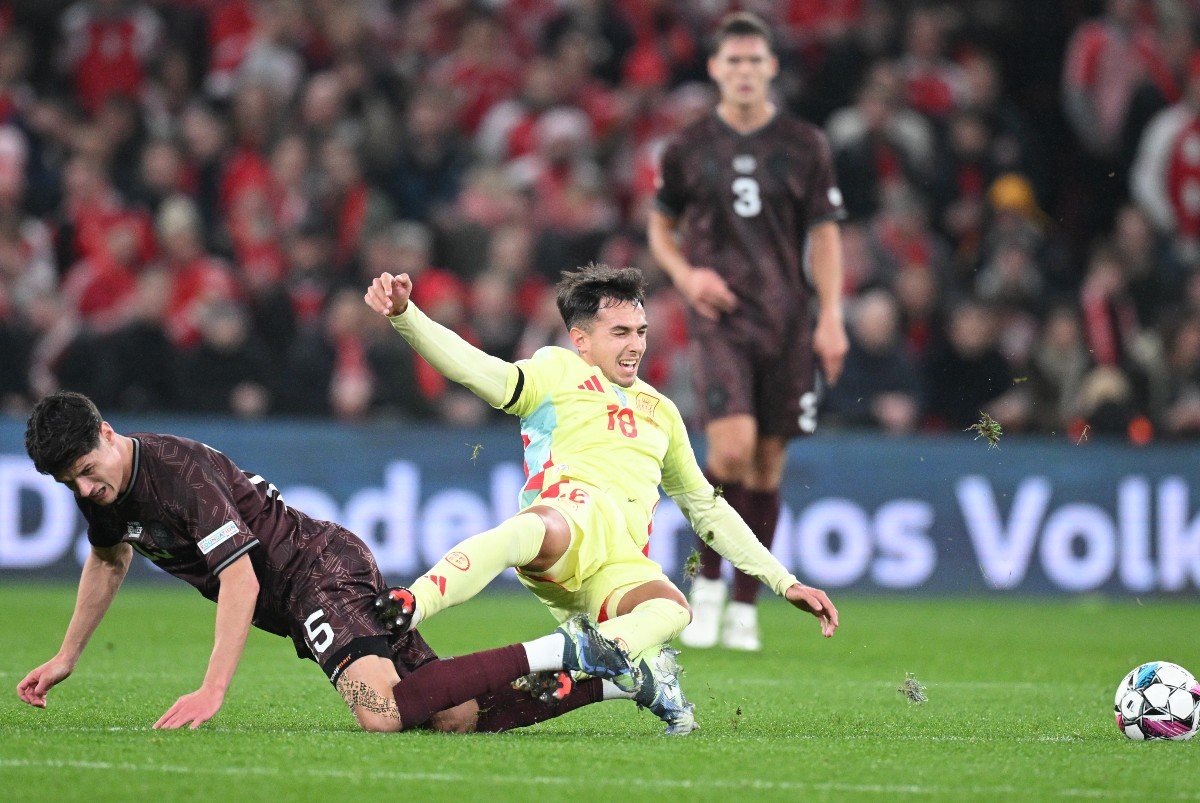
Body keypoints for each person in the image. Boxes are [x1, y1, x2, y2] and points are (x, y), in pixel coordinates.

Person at [363, 263, 840, 733]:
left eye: (641, 330)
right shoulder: (556, 370)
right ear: (581, 338)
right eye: (620, 332)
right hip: (568, 524)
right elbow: (475, 369)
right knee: (529, 528)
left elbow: (705, 505)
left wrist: (784, 581)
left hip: (616, 564)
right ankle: (411, 602)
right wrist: (407, 315)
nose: (635, 345)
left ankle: (603, 665)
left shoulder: (662, 411)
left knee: (673, 607)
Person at [16, 391, 652, 734]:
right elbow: (107, 560)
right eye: (71, 483)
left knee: (381, 712)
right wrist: (67, 655)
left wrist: (213, 689)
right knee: (452, 715)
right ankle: (617, 677)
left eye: (87, 473)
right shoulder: (105, 491)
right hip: (309, 588)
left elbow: (240, 575)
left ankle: (567, 649)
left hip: (316, 574)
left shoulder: (179, 473)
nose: (85, 491)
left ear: (106, 434)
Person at [646, 12, 848, 651]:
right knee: (729, 452)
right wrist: (684, 276)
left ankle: (743, 604)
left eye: (753, 60)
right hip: (721, 320)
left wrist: (834, 316)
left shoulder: (804, 143)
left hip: (789, 321)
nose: (743, 71)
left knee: (766, 466)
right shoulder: (686, 147)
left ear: (771, 67)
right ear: (714, 69)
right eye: (731, 61)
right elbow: (660, 225)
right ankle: (706, 587)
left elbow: (825, 235)